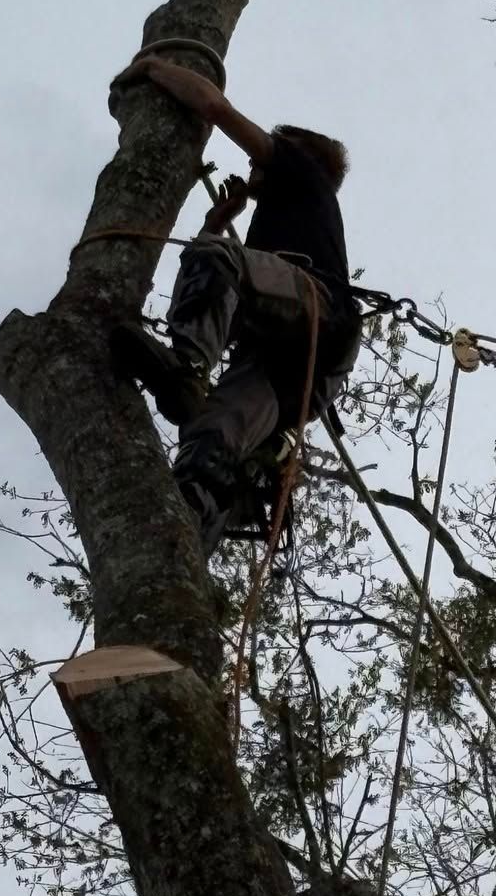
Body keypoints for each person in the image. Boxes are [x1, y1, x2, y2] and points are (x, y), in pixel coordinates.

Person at [107, 51, 362, 551]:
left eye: (266, 152)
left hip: (318, 313)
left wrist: (155, 67)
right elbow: (241, 288)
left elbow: (215, 109)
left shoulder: (303, 173)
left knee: (217, 259)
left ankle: (185, 368)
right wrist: (219, 221)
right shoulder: (289, 213)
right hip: (293, 373)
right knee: (211, 439)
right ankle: (187, 542)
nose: (253, 161)